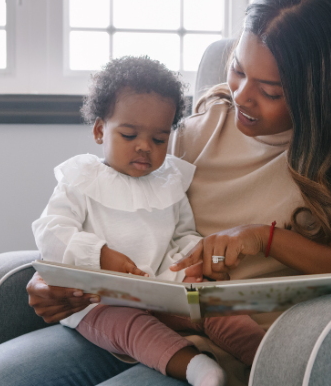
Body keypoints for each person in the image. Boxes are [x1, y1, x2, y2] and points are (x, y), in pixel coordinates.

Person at [0, 0, 331, 385]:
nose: (241, 96)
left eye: (271, 91)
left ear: (319, 91)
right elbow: (121, 206)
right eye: (238, 70)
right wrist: (63, 278)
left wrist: (265, 239)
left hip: (227, 349)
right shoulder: (207, 119)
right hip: (129, 321)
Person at [31, 56, 266, 386]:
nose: (144, 147)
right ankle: (197, 368)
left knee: (217, 307)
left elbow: (183, 235)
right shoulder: (80, 179)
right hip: (100, 302)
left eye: (159, 139)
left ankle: (271, 361)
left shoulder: (168, 181)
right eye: (128, 135)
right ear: (100, 130)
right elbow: (51, 230)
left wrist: (197, 260)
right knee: (133, 327)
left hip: (163, 290)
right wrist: (99, 255)